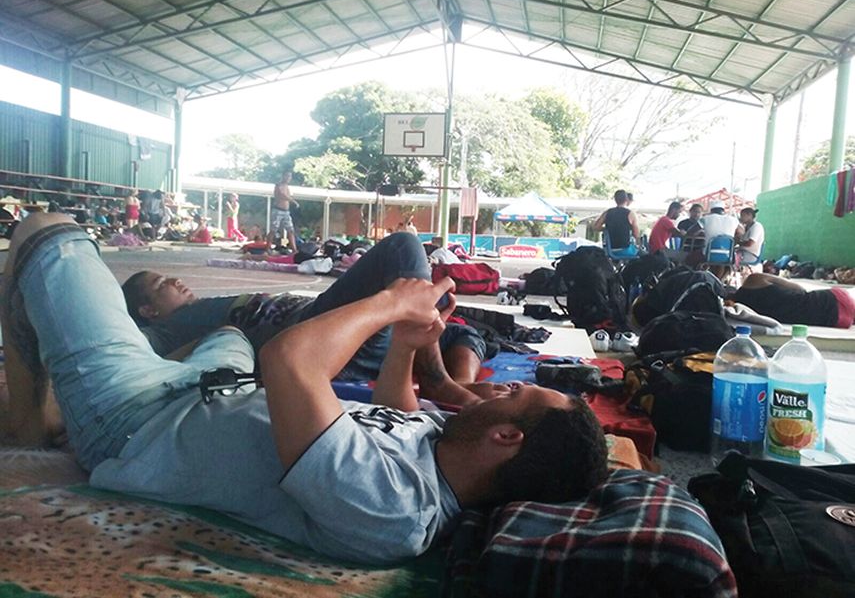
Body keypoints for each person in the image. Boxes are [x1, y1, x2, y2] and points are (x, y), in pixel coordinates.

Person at [0, 213, 609, 564]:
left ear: (506, 436)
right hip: (212, 383)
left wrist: (391, 300)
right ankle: (98, 350)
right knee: (231, 329)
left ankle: (36, 419)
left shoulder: (394, 512)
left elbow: (289, 359)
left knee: (46, 236)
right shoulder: (444, 451)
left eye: (510, 398)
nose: (495, 392)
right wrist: (402, 342)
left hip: (135, 418)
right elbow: (399, 411)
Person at [122, 232, 488, 400]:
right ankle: (441, 384)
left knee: (459, 331)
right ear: (147, 311)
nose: (173, 279)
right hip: (314, 332)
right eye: (159, 284)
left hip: (345, 334)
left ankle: (461, 385)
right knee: (402, 246)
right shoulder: (169, 328)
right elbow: (118, 345)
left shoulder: (199, 308)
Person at [731, 273, 855, 328]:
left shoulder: (741, 315)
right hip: (832, 300)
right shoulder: (754, 280)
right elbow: (800, 289)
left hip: (837, 320)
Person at [593, 189, 639, 257]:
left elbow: (595, 227)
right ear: (626, 199)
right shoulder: (631, 214)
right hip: (625, 250)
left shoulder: (607, 212)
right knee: (643, 254)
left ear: (615, 200)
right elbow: (636, 234)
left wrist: (606, 228)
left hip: (610, 250)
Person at [270, 170, 298, 253]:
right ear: (283, 176)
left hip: (286, 211)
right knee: (273, 230)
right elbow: (283, 195)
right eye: (287, 176)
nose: (289, 178)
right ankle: (267, 248)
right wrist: (293, 201)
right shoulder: (278, 185)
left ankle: (294, 250)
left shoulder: (287, 187)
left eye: (290, 176)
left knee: (290, 230)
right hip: (278, 210)